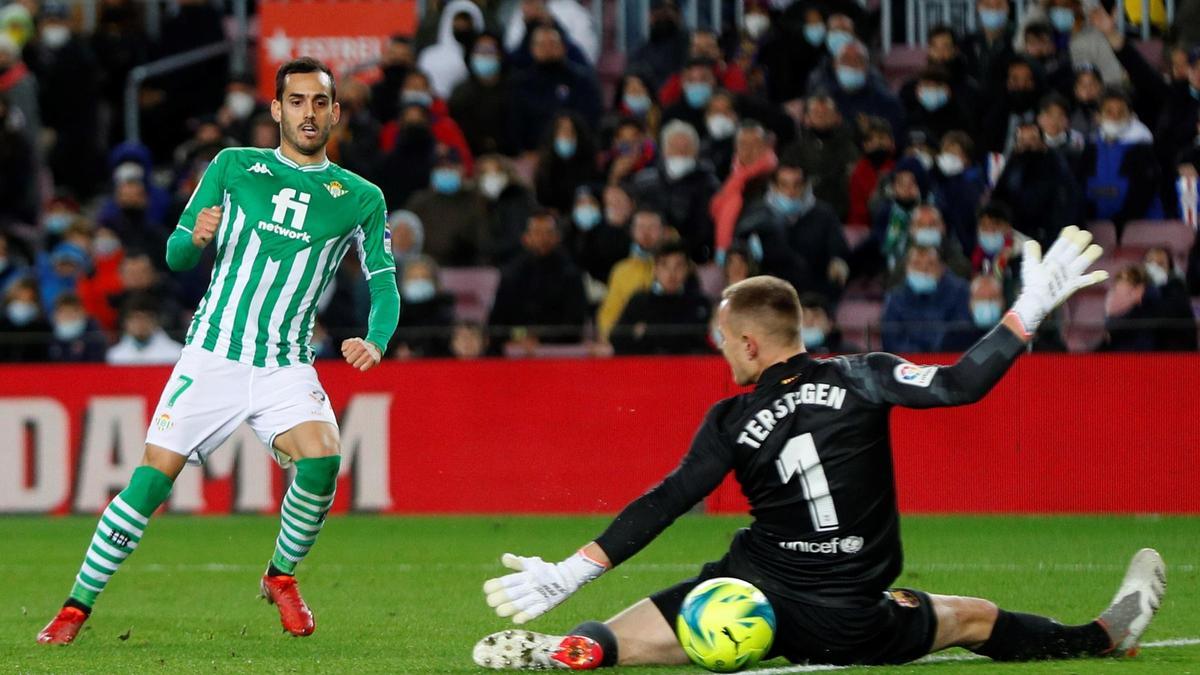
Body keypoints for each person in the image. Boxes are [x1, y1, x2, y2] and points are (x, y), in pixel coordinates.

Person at [471, 228, 1166, 671]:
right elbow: (960, 384)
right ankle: (1102, 635)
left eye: (723, 339)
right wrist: (1027, 312)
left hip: (747, 592)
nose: (721, 350)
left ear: (749, 342)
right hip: (851, 617)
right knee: (974, 617)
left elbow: (666, 501)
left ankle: (578, 647)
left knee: (632, 634)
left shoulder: (729, 417)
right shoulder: (865, 373)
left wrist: (571, 571)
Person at [36, 57, 400, 645]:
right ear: (277, 110)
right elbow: (176, 255)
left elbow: (384, 285)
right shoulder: (233, 166)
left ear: (336, 112)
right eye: (298, 101)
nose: (310, 112)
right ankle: (76, 607)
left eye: (321, 102)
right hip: (212, 354)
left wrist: (376, 339)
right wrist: (194, 239)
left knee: (324, 460)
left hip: (285, 360)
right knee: (151, 482)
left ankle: (280, 577)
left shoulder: (361, 197)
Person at [488, 209, 588, 348]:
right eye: (536, 232)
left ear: (557, 237)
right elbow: (497, 322)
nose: (542, 238)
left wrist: (541, 341)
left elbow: (574, 324)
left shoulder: (570, 274)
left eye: (547, 233)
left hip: (558, 353)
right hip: (514, 350)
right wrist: (516, 340)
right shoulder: (511, 273)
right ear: (525, 237)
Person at [610, 241, 711, 356]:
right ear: (655, 270)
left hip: (687, 369)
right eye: (665, 266)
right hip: (646, 368)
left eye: (678, 266)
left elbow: (697, 341)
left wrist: (646, 333)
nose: (671, 274)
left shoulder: (698, 302)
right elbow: (616, 339)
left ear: (687, 269)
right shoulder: (639, 301)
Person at [881, 245, 973, 353]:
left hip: (949, 359)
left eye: (930, 264)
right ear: (907, 268)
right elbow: (891, 340)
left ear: (941, 268)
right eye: (917, 264)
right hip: (908, 362)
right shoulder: (895, 298)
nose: (923, 270)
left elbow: (962, 332)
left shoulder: (960, 292)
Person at [105, 295, 184, 365]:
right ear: (125, 323)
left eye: (146, 318)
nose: (140, 324)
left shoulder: (176, 354)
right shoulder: (114, 356)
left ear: (156, 321)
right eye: (135, 319)